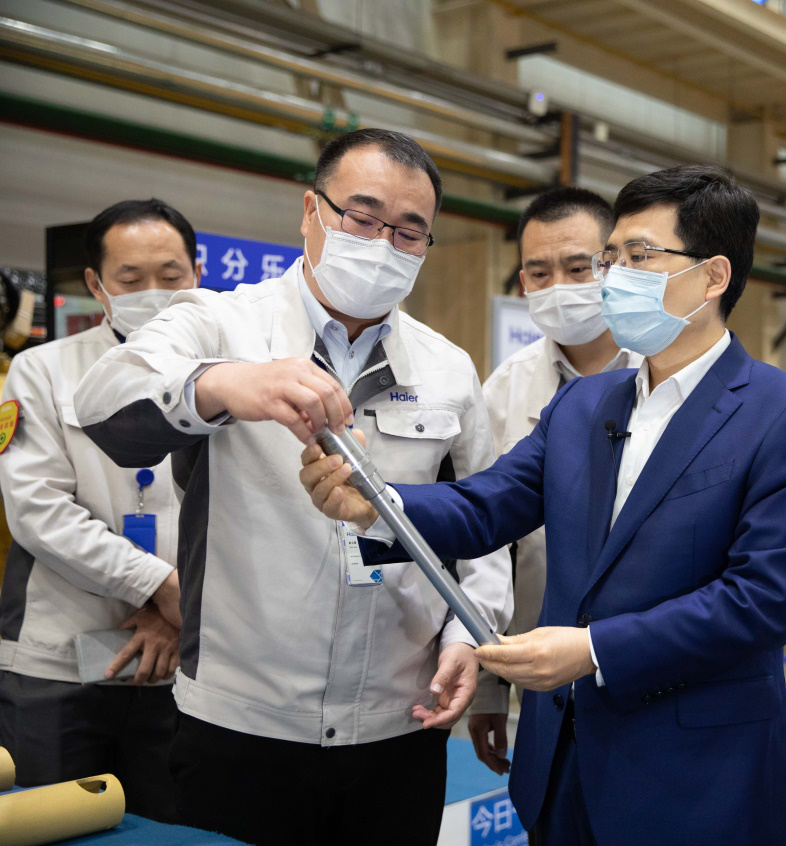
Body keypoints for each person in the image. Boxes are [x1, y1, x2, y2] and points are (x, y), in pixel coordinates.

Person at [302, 165, 786, 846]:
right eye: (612, 257)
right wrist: (375, 502)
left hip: (696, 778)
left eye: (640, 256)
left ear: (712, 277)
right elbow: (486, 506)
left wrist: (593, 650)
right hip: (561, 767)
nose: (614, 277)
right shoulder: (583, 406)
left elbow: (762, 601)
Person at [73, 129, 512, 846]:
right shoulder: (220, 323)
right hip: (241, 724)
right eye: (361, 217)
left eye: (409, 231)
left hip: (399, 724)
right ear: (311, 211)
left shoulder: (446, 368)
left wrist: (471, 635)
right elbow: (101, 403)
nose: (382, 244)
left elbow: (482, 530)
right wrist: (224, 384)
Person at [0, 199, 199, 821]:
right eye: (131, 279)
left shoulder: (229, 378)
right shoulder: (42, 371)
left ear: (197, 273)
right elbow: (38, 510)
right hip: (58, 668)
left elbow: (250, 516)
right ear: (96, 283)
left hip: (186, 664)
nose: (154, 292)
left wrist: (177, 611)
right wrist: (159, 585)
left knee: (176, 830)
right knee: (50, 824)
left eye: (171, 276)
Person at [468, 187, 640, 776]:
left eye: (578, 268)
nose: (559, 287)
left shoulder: (666, 372)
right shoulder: (504, 390)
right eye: (540, 273)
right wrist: (490, 685)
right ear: (523, 283)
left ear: (615, 266)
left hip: (654, 665)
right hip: (542, 676)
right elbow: (486, 545)